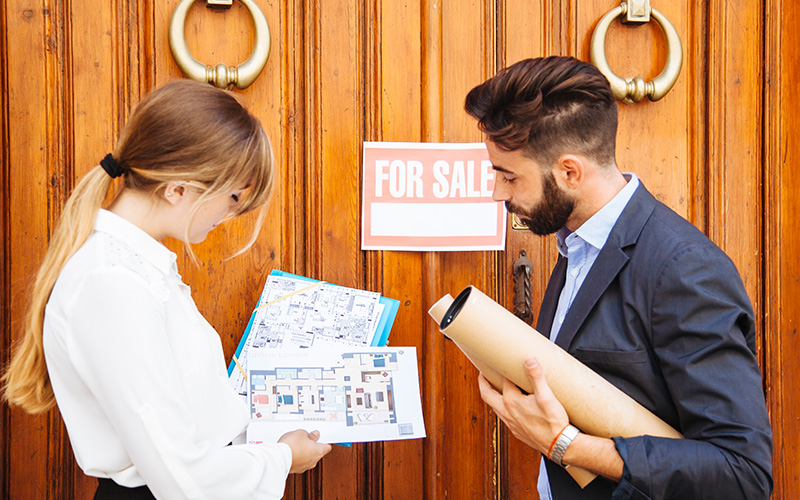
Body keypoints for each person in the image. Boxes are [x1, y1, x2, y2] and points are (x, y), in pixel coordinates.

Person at [1, 79, 331, 499]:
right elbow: (181, 476)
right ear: (178, 188)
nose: (231, 216)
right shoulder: (111, 283)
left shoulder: (136, 270)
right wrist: (282, 458)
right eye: (232, 197)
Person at [464, 56, 773, 500]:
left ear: (570, 171)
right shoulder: (574, 243)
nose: (498, 193)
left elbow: (741, 474)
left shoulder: (684, 269)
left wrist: (566, 445)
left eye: (509, 176)